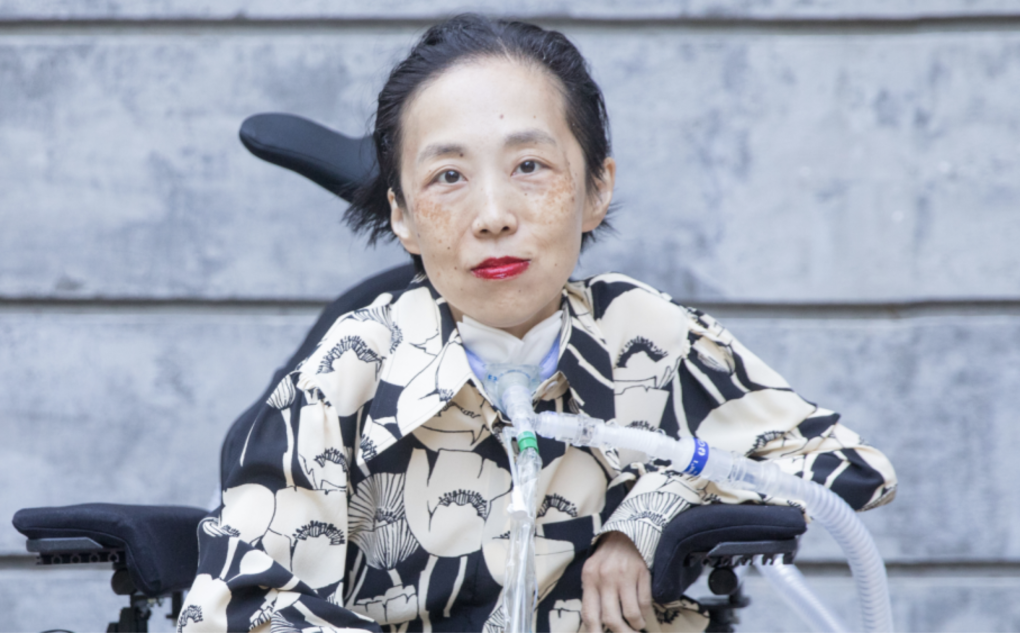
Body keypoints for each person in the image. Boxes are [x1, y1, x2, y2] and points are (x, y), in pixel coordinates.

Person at [178, 14, 896, 633]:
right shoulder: (352, 369)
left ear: (596, 190)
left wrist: (650, 521)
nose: (494, 214)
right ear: (402, 215)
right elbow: (235, 605)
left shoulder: (645, 334)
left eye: (529, 165)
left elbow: (841, 467)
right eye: (448, 177)